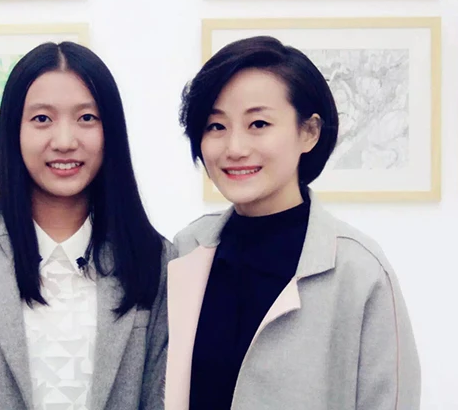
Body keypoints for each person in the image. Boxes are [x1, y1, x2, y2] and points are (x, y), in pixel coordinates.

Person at [0, 41, 174, 410]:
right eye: (42, 119)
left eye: (86, 118)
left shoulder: (157, 260)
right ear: (13, 131)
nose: (64, 141)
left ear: (110, 131)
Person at [164, 36, 420, 410]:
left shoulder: (358, 270)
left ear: (309, 132)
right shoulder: (186, 249)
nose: (234, 148)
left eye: (258, 123)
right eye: (216, 126)